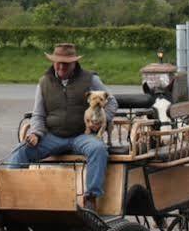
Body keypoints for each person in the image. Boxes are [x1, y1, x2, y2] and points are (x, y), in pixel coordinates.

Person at [8, 43, 118, 212]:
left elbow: (112, 103)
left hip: (82, 135)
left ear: (74, 63)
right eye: (57, 62)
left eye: (65, 63)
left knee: (98, 149)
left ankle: (91, 198)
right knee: (20, 151)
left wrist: (101, 120)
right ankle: (13, 198)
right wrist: (36, 133)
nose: (60, 66)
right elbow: (38, 115)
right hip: (52, 136)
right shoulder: (44, 82)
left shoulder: (90, 79)